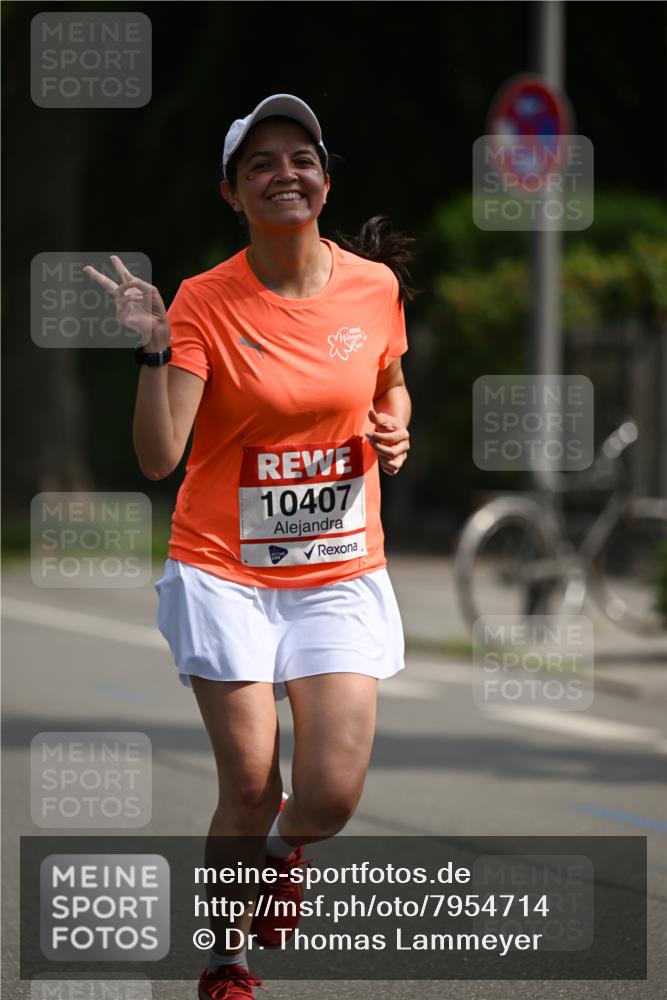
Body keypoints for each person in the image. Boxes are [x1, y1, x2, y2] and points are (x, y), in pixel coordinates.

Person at [85, 93, 413, 1000]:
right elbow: (160, 457)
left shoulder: (372, 288)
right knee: (250, 782)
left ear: (325, 181)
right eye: (259, 164)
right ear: (232, 194)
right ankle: (225, 961)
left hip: (338, 569)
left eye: (300, 158)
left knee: (331, 795)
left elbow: (388, 383)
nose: (283, 174)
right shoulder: (206, 299)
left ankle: (275, 856)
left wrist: (394, 425)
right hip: (224, 571)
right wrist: (153, 352)